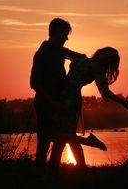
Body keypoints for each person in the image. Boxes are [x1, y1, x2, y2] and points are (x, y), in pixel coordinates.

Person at [51, 47, 128, 169]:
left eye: (110, 57)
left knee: (64, 136)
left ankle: (69, 168)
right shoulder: (81, 57)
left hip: (71, 100)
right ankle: (78, 167)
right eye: (107, 53)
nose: (107, 56)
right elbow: (64, 51)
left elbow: (106, 92)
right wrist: (49, 44)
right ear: (101, 51)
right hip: (61, 96)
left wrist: (123, 102)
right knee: (64, 136)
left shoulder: (98, 70)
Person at [30, 18, 86, 172]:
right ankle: (41, 175)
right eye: (64, 34)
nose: (66, 38)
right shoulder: (42, 54)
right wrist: (52, 103)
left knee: (61, 140)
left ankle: (54, 172)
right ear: (55, 33)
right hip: (45, 105)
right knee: (45, 142)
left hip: (59, 104)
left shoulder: (60, 51)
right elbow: (35, 83)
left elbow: (75, 55)